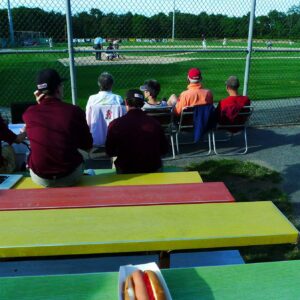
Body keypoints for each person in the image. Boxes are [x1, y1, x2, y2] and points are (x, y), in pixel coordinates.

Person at [23, 68, 93, 187]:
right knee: (84, 153)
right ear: (58, 88)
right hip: (70, 176)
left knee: (30, 152)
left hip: (40, 178)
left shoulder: (29, 113)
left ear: (39, 92)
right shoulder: (74, 111)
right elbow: (87, 145)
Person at [105, 89, 169, 174]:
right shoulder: (155, 123)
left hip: (126, 170)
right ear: (142, 103)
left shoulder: (115, 124)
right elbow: (164, 150)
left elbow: (110, 151)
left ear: (126, 102)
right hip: (152, 168)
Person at [86, 72, 125, 146]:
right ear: (112, 84)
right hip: (115, 140)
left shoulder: (92, 99)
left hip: (96, 140)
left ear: (99, 84)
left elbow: (88, 120)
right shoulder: (118, 98)